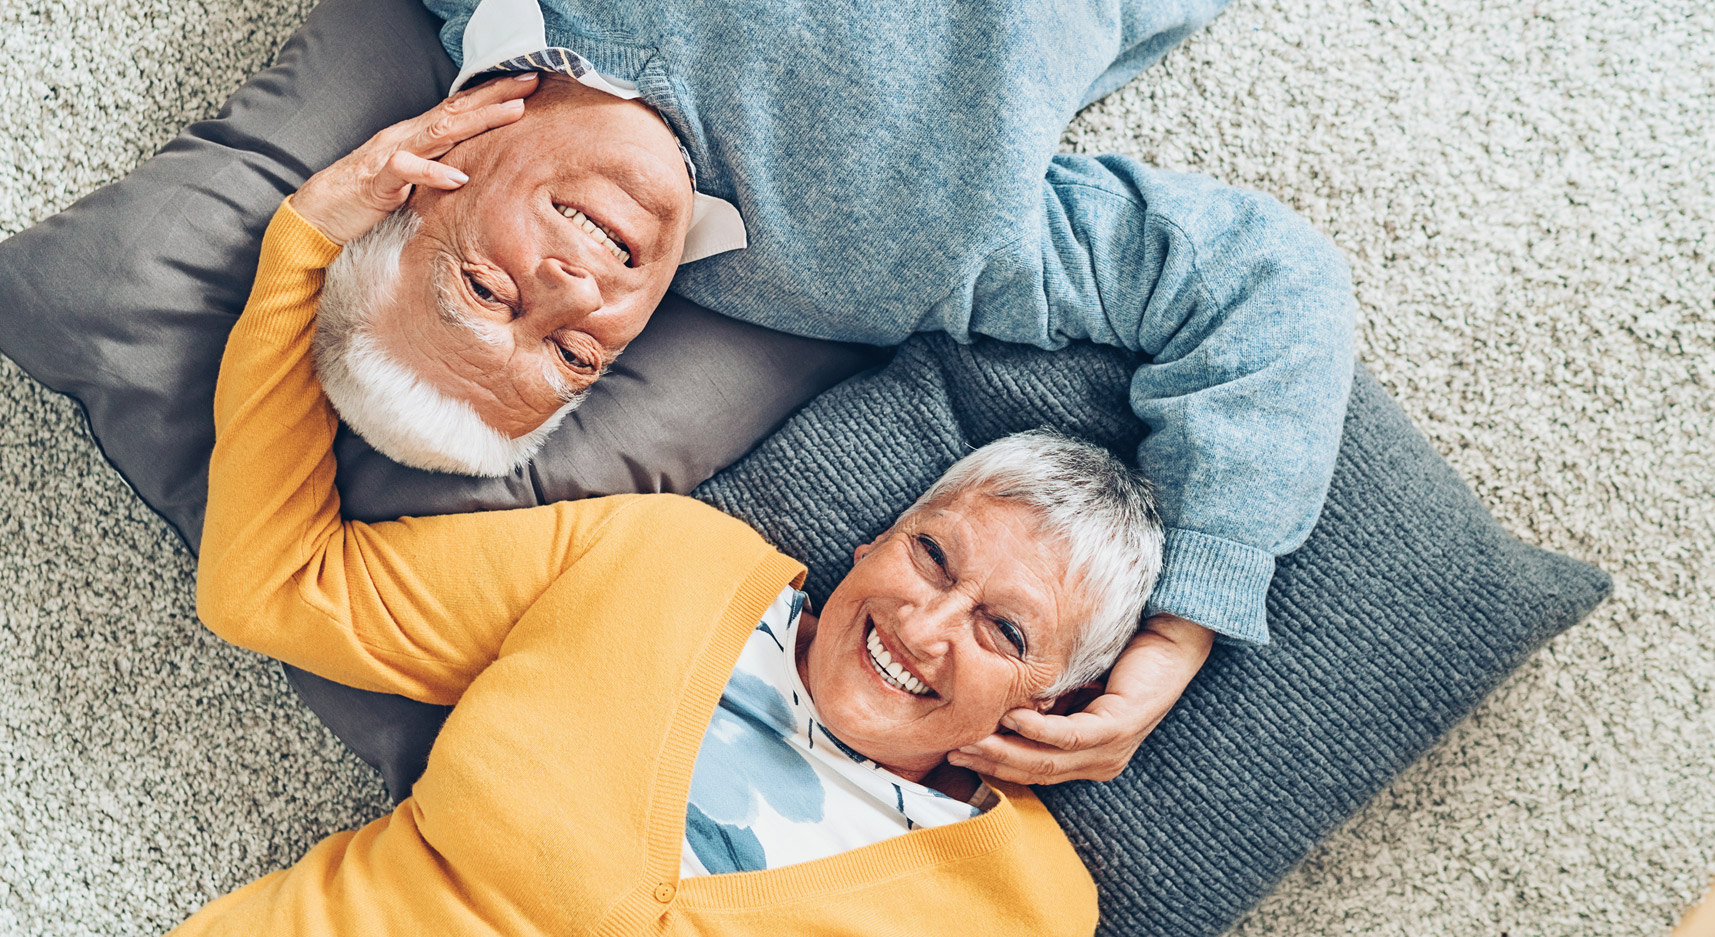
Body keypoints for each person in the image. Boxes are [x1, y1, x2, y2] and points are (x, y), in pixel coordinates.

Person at [290, 0, 1363, 787]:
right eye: (575, 354)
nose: (576, 291)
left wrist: (305, 231)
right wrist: (1177, 635)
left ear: (414, 184)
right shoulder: (866, 272)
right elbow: (1263, 286)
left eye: (485, 290)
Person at [181, 123, 1170, 931]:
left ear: (1057, 697)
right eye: (932, 554)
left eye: (1004, 631)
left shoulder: (1024, 903)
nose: (925, 624)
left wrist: (1180, 641)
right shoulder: (660, 559)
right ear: (874, 541)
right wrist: (304, 247)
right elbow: (276, 586)